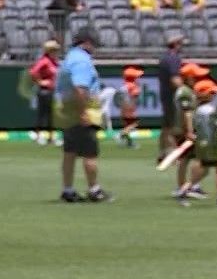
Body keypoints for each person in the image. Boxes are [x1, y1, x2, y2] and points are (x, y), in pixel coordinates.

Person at [55, 28, 111, 203]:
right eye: (93, 44)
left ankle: (68, 189)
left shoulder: (69, 58)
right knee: (89, 152)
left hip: (67, 109)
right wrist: (84, 112)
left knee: (70, 152)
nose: (95, 48)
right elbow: (80, 88)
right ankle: (94, 189)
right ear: (86, 43)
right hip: (80, 109)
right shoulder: (81, 61)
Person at [185, 77, 217, 208]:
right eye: (212, 93)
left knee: (204, 170)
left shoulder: (198, 110)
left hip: (202, 143)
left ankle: (185, 190)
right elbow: (213, 128)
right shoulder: (209, 111)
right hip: (210, 144)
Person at [172, 62, 208, 199]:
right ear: (189, 77)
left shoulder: (186, 90)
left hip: (183, 129)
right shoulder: (185, 92)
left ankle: (188, 186)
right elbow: (187, 113)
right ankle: (186, 187)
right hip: (183, 130)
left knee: (188, 158)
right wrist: (189, 131)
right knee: (188, 159)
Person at [28, 40, 60, 145]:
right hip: (44, 91)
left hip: (52, 90)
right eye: (54, 50)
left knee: (51, 115)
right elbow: (33, 71)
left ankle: (51, 137)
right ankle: (38, 136)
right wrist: (40, 81)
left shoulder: (54, 62)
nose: (56, 52)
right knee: (42, 114)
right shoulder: (45, 61)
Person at [117, 66, 143, 148]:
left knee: (127, 125)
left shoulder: (124, 85)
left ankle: (129, 142)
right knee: (135, 124)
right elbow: (134, 97)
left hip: (123, 107)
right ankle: (121, 134)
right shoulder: (133, 86)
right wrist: (132, 109)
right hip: (129, 108)